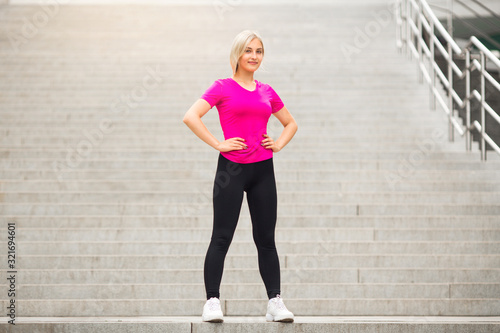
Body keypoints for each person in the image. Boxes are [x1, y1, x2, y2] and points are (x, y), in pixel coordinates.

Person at [182, 30, 298, 323]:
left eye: (259, 51)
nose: (254, 56)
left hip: (263, 170)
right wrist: (219, 143)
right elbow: (191, 116)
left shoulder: (267, 91)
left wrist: (279, 143)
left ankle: (275, 302)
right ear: (237, 54)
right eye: (248, 51)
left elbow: (290, 124)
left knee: (266, 239)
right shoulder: (222, 87)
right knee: (221, 237)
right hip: (231, 170)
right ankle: (212, 301)